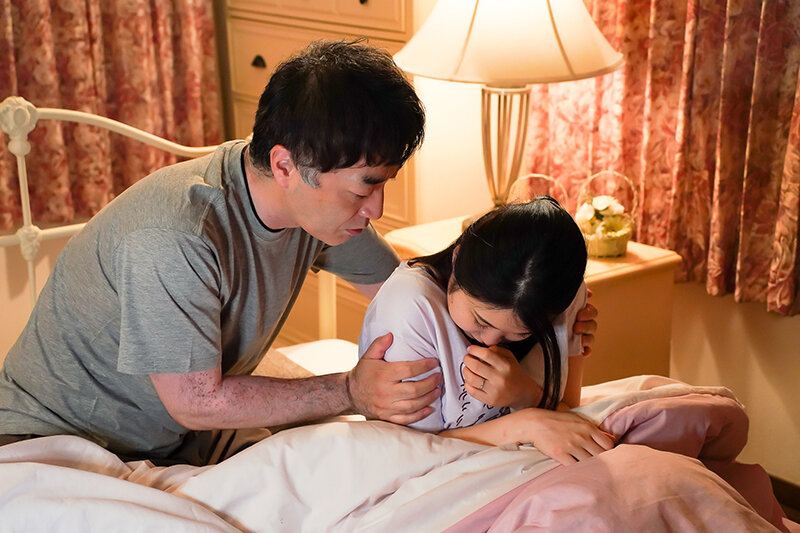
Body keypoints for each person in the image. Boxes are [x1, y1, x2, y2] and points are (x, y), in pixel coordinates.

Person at [0, 40, 597, 466]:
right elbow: (197, 402)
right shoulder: (177, 235)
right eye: (364, 187)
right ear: (286, 166)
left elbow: (419, 296)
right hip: (52, 445)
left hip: (178, 444)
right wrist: (351, 390)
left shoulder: (314, 209)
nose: (377, 208)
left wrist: (548, 327)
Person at [358, 198, 613, 465]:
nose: (491, 341)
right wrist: (526, 425)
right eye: (480, 320)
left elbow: (570, 413)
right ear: (457, 259)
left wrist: (526, 395)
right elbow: (408, 452)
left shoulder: (559, 297)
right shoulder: (411, 305)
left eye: (520, 333)